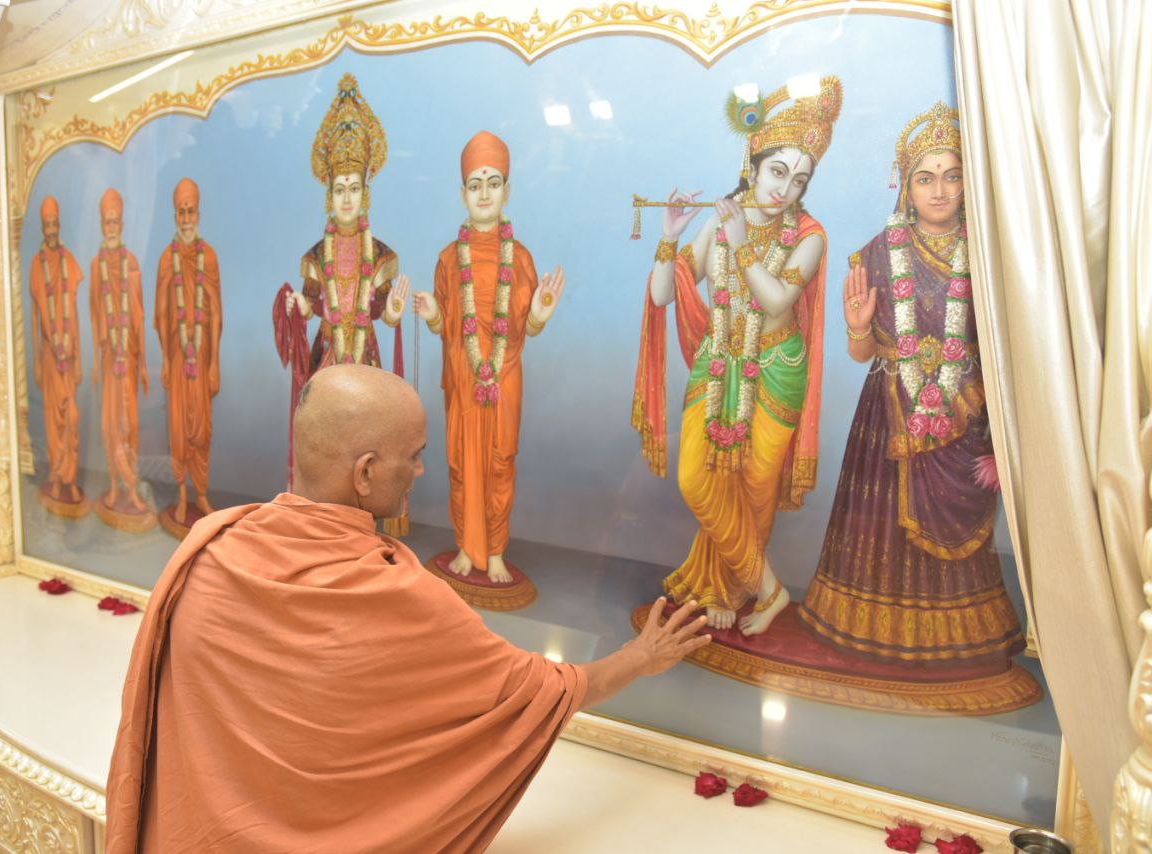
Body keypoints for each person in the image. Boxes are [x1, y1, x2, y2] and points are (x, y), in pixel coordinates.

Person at [105, 364, 709, 853]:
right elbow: (540, 691)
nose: (421, 469)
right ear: (365, 473)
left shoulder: (213, 546)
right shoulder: (393, 594)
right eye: (415, 454)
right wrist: (640, 657)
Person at [798, 102, 1025, 665]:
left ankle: (954, 638)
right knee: (880, 526)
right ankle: (867, 628)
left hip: (966, 412)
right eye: (926, 178)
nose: (940, 191)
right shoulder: (879, 254)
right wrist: (857, 327)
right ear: (906, 185)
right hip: (889, 412)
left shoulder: (990, 255)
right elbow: (862, 354)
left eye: (952, 176)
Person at [631, 78, 840, 635]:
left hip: (776, 368)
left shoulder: (811, 236)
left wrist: (742, 240)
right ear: (753, 163)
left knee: (753, 489)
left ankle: (729, 589)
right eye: (777, 172)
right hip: (718, 361)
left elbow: (775, 300)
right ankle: (770, 590)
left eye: (799, 180)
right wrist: (670, 236)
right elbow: (662, 294)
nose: (784, 190)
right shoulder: (718, 222)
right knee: (697, 480)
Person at [413, 131, 565, 583]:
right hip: (463, 377)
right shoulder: (448, 259)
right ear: (462, 193)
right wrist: (432, 314)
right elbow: (445, 327)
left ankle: (495, 550)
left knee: (501, 460)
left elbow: (526, 328)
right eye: (475, 185)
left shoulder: (520, 259)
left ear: (507, 191)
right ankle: (466, 546)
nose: (484, 194)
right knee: (461, 462)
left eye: (493, 183)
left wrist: (538, 316)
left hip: (504, 374)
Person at [276, 72, 408, 533]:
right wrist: (299, 306)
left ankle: (363, 530)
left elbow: (383, 310)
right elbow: (314, 305)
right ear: (328, 195)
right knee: (327, 444)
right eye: (339, 189)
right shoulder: (316, 257)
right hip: (327, 359)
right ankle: (322, 526)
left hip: (366, 359)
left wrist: (394, 313)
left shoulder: (382, 256)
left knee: (370, 445)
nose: (346, 197)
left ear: (364, 192)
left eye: (354, 187)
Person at [153, 177, 222, 532]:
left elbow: (217, 313)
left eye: (190, 211)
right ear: (174, 215)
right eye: (180, 212)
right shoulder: (167, 259)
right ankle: (182, 494)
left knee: (202, 431)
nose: (185, 218)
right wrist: (165, 360)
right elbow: (162, 314)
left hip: (203, 356)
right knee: (179, 429)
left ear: (199, 213)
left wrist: (214, 364)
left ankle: (202, 494)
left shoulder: (209, 257)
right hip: (178, 359)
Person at [89, 188, 152, 528]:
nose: (111, 227)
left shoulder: (132, 264)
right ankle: (114, 486)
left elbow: (139, 317)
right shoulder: (95, 266)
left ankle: (132, 489)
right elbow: (94, 315)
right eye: (106, 222)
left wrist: (144, 366)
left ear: (122, 224)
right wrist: (95, 365)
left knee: (130, 426)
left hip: (128, 359)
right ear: (101, 225)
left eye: (115, 222)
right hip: (108, 360)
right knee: (109, 425)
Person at [28, 195, 87, 515]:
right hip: (49, 355)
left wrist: (79, 360)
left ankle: (71, 477)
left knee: (72, 420)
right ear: (42, 227)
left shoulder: (69, 261)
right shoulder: (36, 265)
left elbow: (74, 313)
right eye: (47, 224)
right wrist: (37, 361)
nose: (51, 229)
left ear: (59, 225)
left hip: (69, 354)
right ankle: (55, 477)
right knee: (52, 420)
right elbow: (36, 316)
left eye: (54, 224)